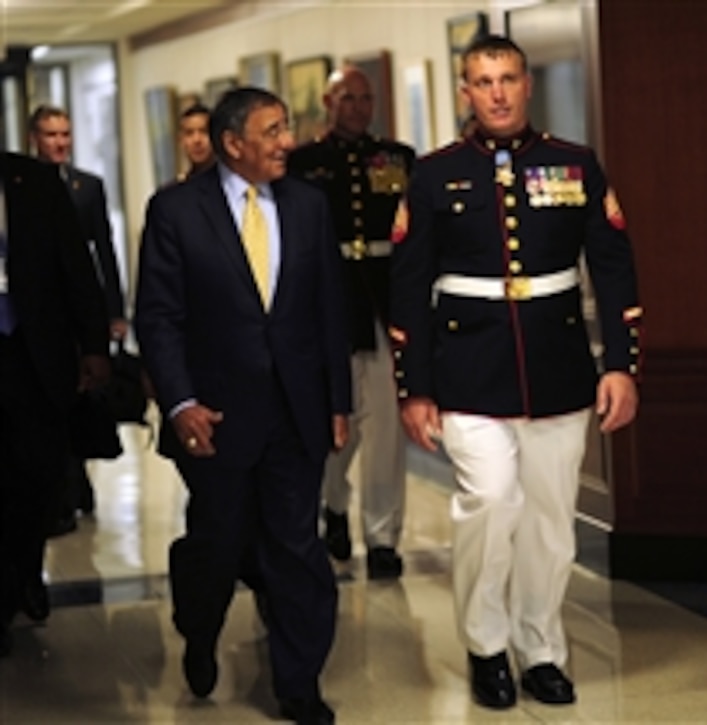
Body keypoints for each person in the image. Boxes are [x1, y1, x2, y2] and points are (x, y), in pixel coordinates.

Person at [389, 35, 642, 709]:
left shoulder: (575, 164)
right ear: (465, 91)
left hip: (558, 367)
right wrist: (413, 387)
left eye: (507, 78)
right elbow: (408, 287)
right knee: (492, 500)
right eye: (482, 80)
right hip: (467, 367)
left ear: (527, 85)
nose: (496, 92)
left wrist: (620, 364)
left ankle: (541, 647)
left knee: (552, 519)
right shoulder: (435, 175)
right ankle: (485, 644)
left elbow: (614, 269)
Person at [134, 86, 350, 725]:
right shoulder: (175, 211)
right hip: (216, 418)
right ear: (234, 145)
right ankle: (199, 629)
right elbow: (160, 318)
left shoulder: (309, 205)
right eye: (274, 130)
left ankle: (298, 683)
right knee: (218, 543)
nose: (288, 141)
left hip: (295, 410)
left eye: (286, 128)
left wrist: (337, 400)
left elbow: (327, 311)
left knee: (295, 545)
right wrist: (180, 403)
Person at [287, 65, 415, 579]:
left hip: (384, 302)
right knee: (334, 422)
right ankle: (332, 504)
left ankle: (383, 536)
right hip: (327, 304)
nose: (358, 107)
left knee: (385, 430)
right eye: (348, 97)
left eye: (366, 98)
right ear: (326, 100)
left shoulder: (398, 159)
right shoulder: (302, 164)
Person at [1, 151, 110, 656]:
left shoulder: (35, 180)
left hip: (31, 350)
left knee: (37, 470)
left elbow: (75, 263)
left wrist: (93, 344)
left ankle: (26, 568)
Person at [29, 104, 128, 529]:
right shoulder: (23, 184)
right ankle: (60, 478)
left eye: (65, 134)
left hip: (79, 306)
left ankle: (79, 473)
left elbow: (103, 251)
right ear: (35, 137)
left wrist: (114, 311)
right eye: (51, 135)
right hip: (43, 309)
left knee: (84, 391)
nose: (60, 142)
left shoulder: (87, 186)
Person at [177, 102, 215, 181]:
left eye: (204, 131)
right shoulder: (177, 189)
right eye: (189, 133)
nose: (196, 140)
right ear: (181, 140)